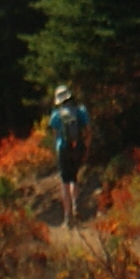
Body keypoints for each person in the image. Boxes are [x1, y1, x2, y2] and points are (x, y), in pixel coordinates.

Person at [42, 83, 93, 229]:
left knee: (65, 182)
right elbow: (88, 131)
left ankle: (67, 217)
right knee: (74, 179)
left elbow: (55, 135)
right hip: (78, 148)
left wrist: (56, 150)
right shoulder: (80, 111)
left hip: (63, 149)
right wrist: (86, 148)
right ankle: (76, 206)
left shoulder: (56, 115)